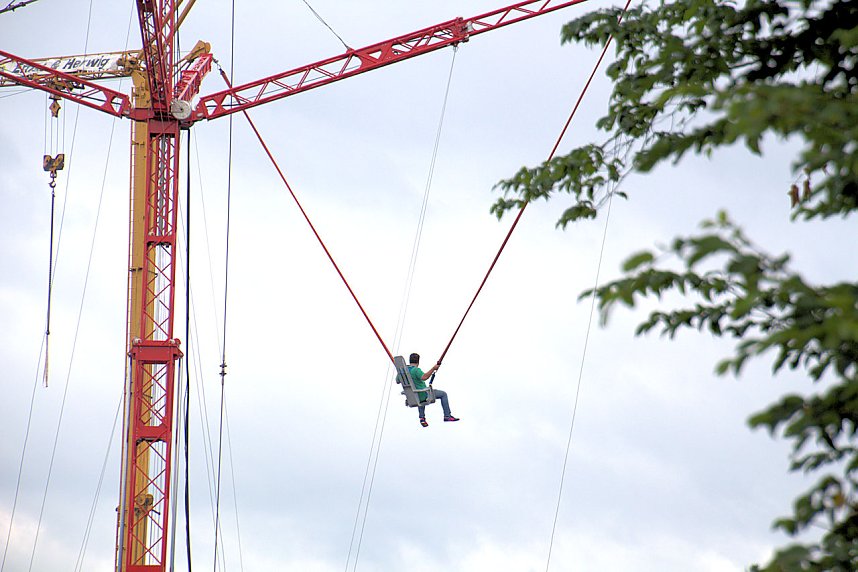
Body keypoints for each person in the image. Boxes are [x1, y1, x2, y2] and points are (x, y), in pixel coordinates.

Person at [407, 352, 459, 427]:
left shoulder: (403, 371)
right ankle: (447, 416)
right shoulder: (416, 370)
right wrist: (433, 368)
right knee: (443, 394)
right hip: (423, 395)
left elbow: (397, 381)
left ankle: (422, 418)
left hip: (413, 395)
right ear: (418, 361)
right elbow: (424, 377)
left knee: (419, 396)